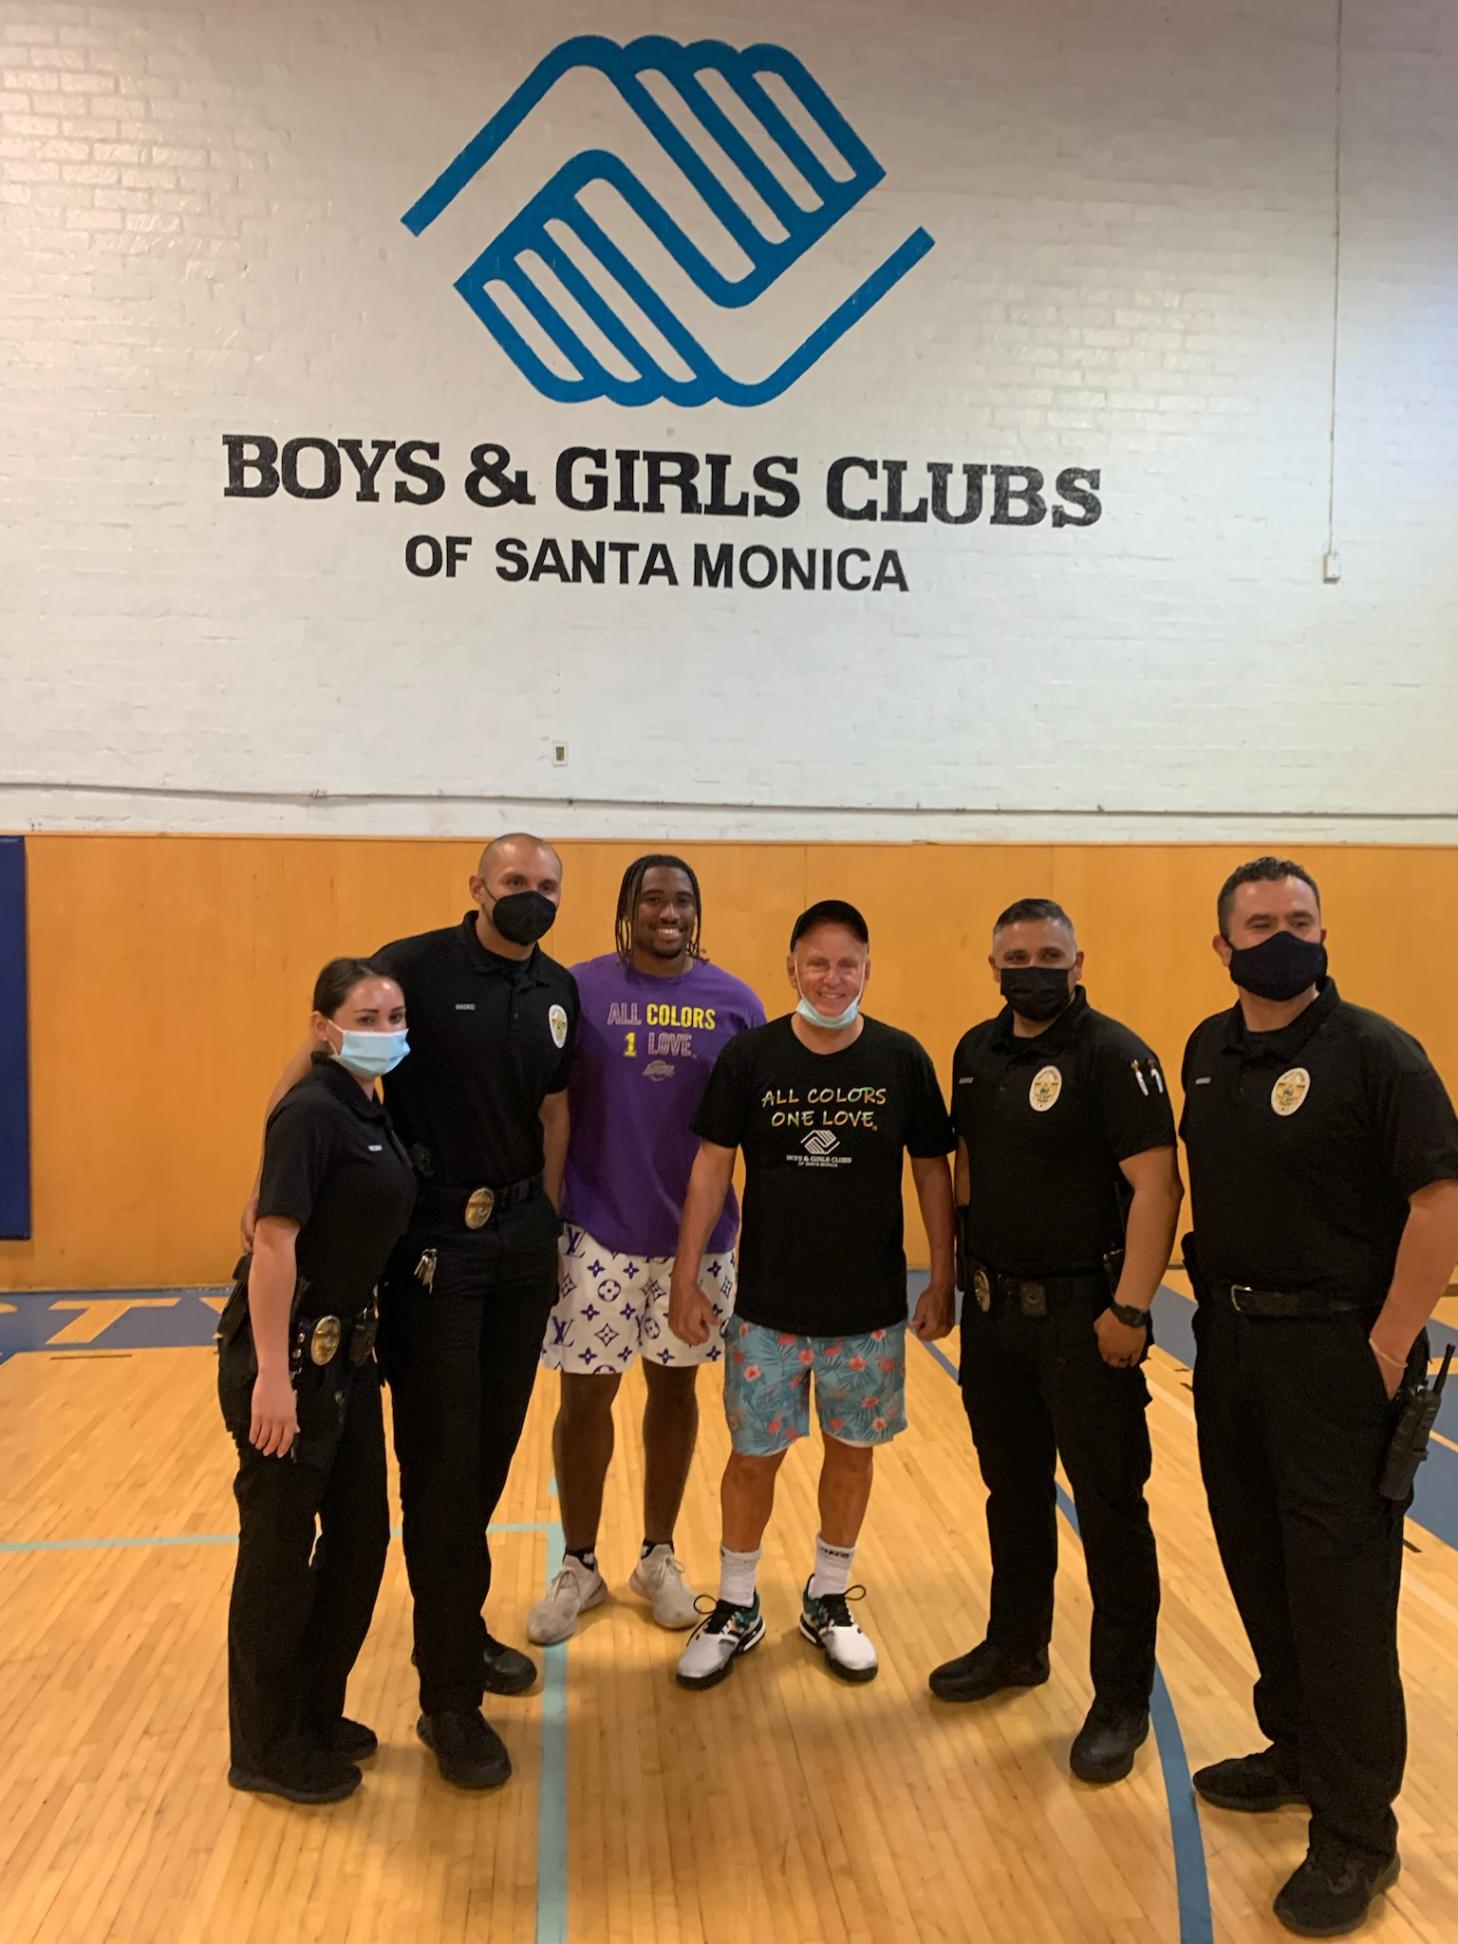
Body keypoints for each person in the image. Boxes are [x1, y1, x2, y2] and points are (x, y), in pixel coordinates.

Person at [244, 834, 578, 1791]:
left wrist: (546, 1218)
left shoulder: (557, 989)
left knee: (488, 1461)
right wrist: (269, 1180)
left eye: (547, 887)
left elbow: (556, 1110)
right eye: (514, 882)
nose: (530, 897)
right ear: (478, 887)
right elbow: (315, 1056)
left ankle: (458, 1631)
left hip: (519, 1245)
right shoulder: (417, 968)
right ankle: (449, 1704)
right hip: (437, 1251)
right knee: (440, 1471)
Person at [1181, 856, 1458, 1937]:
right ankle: (1294, 1753)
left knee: (1342, 1599)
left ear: (1323, 934)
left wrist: (1388, 1342)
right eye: (1260, 921)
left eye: (1300, 918)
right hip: (1233, 1347)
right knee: (1259, 1560)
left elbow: (1439, 1202)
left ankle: (1357, 1834)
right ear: (1225, 946)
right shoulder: (1208, 1049)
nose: (1282, 933)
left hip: (1339, 1359)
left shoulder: (1380, 1053)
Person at [668, 899, 957, 1688]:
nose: (833, 979)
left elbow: (933, 1169)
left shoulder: (901, 1059)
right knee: (752, 1458)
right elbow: (708, 1168)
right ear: (792, 967)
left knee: (852, 1456)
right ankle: (735, 1605)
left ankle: (828, 1596)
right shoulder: (751, 1058)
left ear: (868, 968)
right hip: (768, 1309)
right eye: (818, 963)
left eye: (848, 964)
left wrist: (944, 1272)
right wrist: (683, 1274)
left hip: (867, 1311)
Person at [928, 898, 1183, 1784]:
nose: (1031, 966)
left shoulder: (1114, 1055)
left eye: (1049, 953)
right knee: (1012, 1492)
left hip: (1087, 1321)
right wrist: (955, 1277)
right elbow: (967, 1170)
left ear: (1078, 962)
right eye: (1015, 955)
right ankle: (1016, 1646)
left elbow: (1158, 1189)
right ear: (993, 965)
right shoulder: (973, 1052)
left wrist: (1132, 1308)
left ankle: (1120, 1700)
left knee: (1111, 1510)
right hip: (996, 1315)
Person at [529, 855, 765, 1645]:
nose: (670, 911)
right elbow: (547, 1108)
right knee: (585, 1399)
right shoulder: (578, 988)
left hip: (697, 1245)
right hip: (596, 1232)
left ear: (698, 912)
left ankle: (657, 1556)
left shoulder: (736, 1003)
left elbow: (753, 1132)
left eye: (683, 900)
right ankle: (580, 1563)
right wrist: (547, 1218)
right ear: (626, 910)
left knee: (676, 1394)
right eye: (653, 899)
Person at [220, 957, 415, 1804]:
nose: (383, 1032)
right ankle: (262, 1747)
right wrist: (271, 1378)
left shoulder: (367, 1107)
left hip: (350, 1363)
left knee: (363, 1535)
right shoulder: (309, 1113)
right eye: (365, 1018)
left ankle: (312, 1709)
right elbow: (271, 1244)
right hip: (290, 1362)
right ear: (323, 1027)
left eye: (393, 1016)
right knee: (277, 1554)